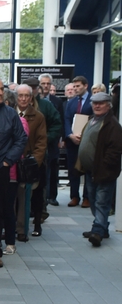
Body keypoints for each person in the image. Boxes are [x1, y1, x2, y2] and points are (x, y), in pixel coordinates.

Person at [0, 76, 27, 269]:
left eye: (1, 89)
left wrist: (9, 160)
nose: (0, 92)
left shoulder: (10, 114)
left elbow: (21, 139)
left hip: (0, 169)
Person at [76, 92, 122, 246]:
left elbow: (114, 150)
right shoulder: (92, 120)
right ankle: (102, 227)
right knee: (95, 200)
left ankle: (97, 231)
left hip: (104, 171)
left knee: (102, 202)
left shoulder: (112, 124)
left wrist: (104, 167)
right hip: (90, 170)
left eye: (101, 103)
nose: (97, 105)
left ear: (108, 105)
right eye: (95, 103)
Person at [15, 85, 48, 241]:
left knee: (26, 197)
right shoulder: (9, 112)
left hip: (28, 164)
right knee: (10, 198)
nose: (23, 99)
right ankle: (9, 226)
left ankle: (22, 229)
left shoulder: (38, 116)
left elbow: (41, 141)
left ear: (31, 98)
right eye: (20, 95)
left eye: (26, 96)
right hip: (10, 162)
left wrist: (35, 161)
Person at [1, 89, 29, 255]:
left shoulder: (20, 121)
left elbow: (21, 142)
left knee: (8, 208)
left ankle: (10, 242)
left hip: (11, 171)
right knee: (0, 208)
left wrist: (6, 160)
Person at [64, 76, 93, 208]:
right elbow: (67, 120)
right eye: (74, 86)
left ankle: (87, 197)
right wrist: (70, 135)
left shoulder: (93, 101)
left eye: (78, 86)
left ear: (85, 86)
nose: (75, 89)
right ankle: (74, 196)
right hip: (73, 141)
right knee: (73, 169)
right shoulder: (71, 102)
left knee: (88, 169)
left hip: (88, 141)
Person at [37, 74, 65, 207]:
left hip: (52, 142)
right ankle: (42, 200)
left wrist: (59, 138)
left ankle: (51, 197)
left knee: (52, 171)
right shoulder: (35, 102)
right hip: (38, 144)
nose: (46, 86)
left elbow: (60, 122)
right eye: (43, 83)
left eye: (48, 83)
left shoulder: (57, 101)